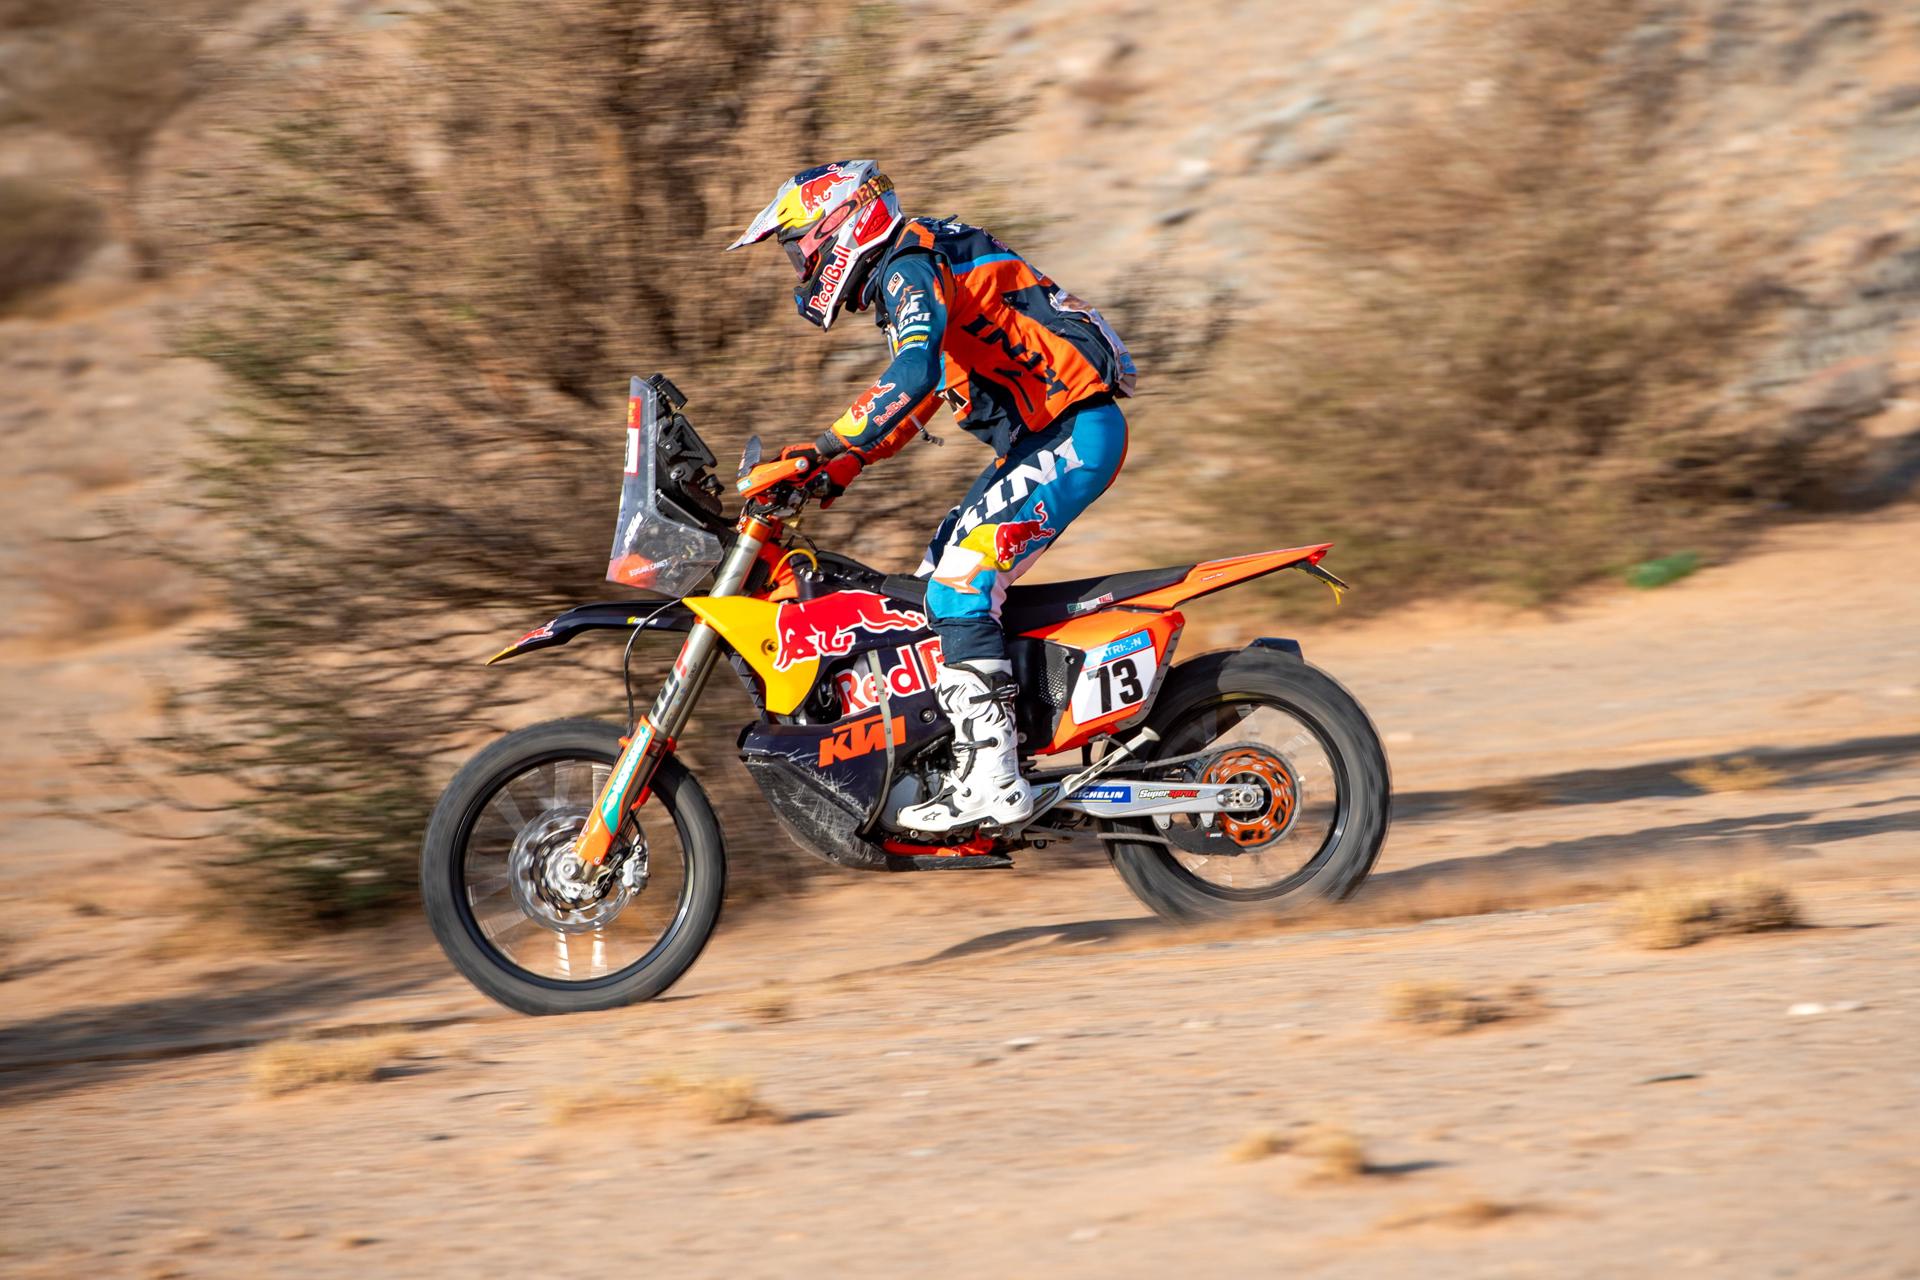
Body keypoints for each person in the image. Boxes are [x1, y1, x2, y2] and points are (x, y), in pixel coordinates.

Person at [728, 160, 1136, 831]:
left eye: (799, 244)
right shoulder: (918, 265)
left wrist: (828, 446)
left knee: (960, 586)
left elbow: (913, 374)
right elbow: (923, 398)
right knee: (928, 599)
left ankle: (996, 776)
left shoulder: (907, 264)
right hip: (1047, 440)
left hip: (1074, 431)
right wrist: (838, 468)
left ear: (843, 222)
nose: (800, 264)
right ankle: (978, 753)